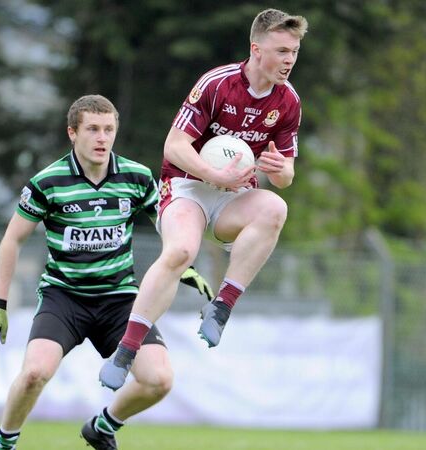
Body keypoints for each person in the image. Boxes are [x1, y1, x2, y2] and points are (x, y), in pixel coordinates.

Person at [0, 94, 214, 450]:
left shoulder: (136, 177)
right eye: (92, 129)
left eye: (108, 129)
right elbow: (12, 239)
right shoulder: (48, 182)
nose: (102, 138)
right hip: (64, 298)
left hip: (121, 301)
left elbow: (168, 223)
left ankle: (103, 426)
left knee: (159, 380)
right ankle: (4, 445)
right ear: (72, 133)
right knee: (33, 374)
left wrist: (184, 265)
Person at [99, 8, 308, 391]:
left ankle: (222, 305)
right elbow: (174, 146)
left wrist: (279, 168)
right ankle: (126, 351)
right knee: (180, 252)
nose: (289, 60)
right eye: (281, 51)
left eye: (294, 51)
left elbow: (286, 177)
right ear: (256, 48)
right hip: (186, 186)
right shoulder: (217, 83)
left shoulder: (289, 101)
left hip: (234, 198)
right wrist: (215, 175)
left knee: (276, 208)